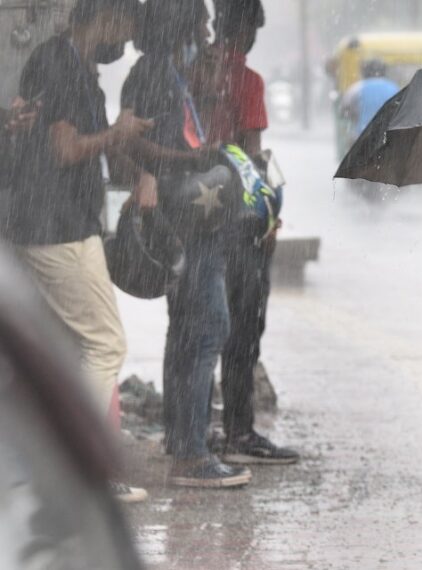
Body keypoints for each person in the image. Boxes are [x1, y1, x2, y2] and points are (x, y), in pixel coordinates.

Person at [4, 0, 154, 503]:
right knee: (105, 345)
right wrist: (118, 132)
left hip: (49, 222)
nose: (129, 40)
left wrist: (129, 156)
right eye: (128, 26)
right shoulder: (62, 63)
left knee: (66, 350)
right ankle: (84, 472)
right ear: (107, 16)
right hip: (60, 229)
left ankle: (40, 466)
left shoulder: (68, 64)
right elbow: (65, 150)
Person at [122, 0, 251, 488]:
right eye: (199, 20)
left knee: (187, 331)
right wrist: (194, 159)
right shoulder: (155, 72)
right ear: (180, 26)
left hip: (193, 221)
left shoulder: (168, 71)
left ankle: (182, 438)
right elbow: (135, 143)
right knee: (206, 328)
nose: (206, 28)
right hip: (190, 223)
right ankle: (192, 455)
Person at [209, 0, 299, 465]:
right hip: (238, 225)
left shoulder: (193, 71)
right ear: (248, 30)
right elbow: (251, 161)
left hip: (194, 217)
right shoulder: (247, 81)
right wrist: (267, 218)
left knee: (198, 325)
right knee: (244, 327)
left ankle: (189, 428)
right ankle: (239, 432)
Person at [340, 58, 399, 140]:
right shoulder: (393, 88)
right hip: (387, 135)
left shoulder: (357, 87)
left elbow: (345, 109)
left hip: (363, 135)